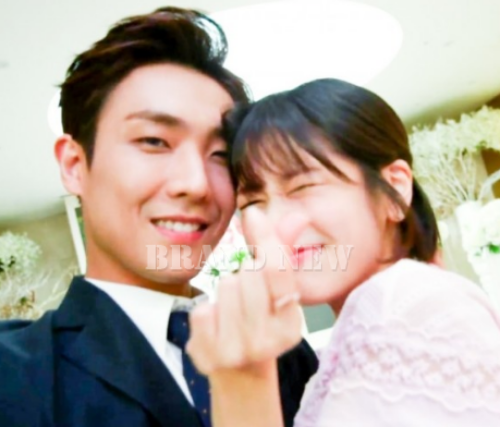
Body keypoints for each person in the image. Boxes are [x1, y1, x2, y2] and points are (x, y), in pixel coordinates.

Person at [0, 7, 318, 427]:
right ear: (75, 165)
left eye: (220, 154)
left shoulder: (282, 351)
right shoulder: (15, 375)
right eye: (154, 141)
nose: (196, 184)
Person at [187, 78, 500, 426]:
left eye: (303, 186)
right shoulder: (358, 332)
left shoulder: (405, 303)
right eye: (253, 202)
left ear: (395, 189)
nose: (273, 223)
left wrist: (244, 384)